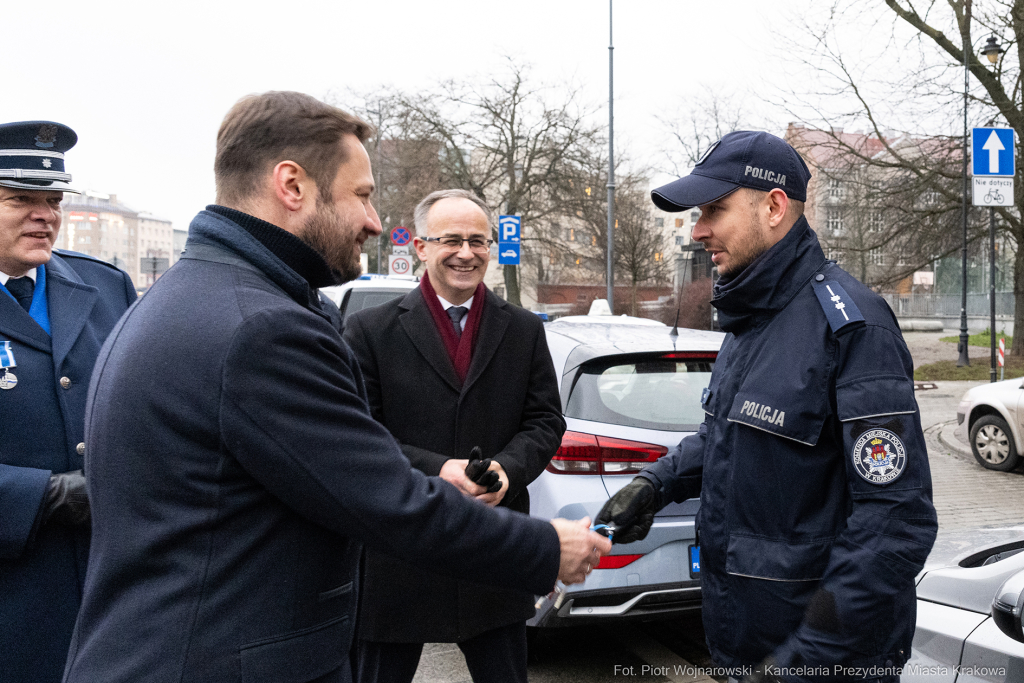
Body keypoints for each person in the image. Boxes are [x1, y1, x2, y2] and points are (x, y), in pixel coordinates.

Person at [61, 92, 610, 683]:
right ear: (292, 185)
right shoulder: (260, 328)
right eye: (363, 196)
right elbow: (382, 496)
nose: (375, 223)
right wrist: (546, 547)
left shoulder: (201, 296)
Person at [596, 131, 938, 683]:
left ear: (774, 206)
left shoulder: (853, 326)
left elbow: (896, 522)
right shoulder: (750, 320)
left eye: (714, 209)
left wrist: (807, 655)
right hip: (744, 646)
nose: (698, 229)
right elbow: (727, 438)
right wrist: (655, 485)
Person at [344, 189, 565, 683]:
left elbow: (546, 420)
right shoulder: (368, 331)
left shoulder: (524, 329)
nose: (467, 253)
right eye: (451, 240)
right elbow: (360, 434)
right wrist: (438, 470)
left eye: (478, 241)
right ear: (421, 247)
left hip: (493, 551)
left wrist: (508, 470)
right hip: (400, 552)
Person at [0, 121, 137, 683]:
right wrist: (46, 495)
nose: (46, 215)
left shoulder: (105, 286)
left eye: (53, 200)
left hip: (109, 587)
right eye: (21, 200)